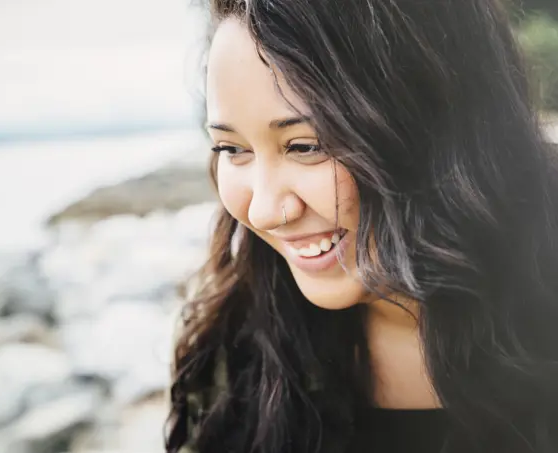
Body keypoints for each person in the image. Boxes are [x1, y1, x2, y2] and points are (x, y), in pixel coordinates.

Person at [165, 0, 558, 452]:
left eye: (305, 146)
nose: (265, 211)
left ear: (437, 121)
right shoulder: (239, 346)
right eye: (232, 149)